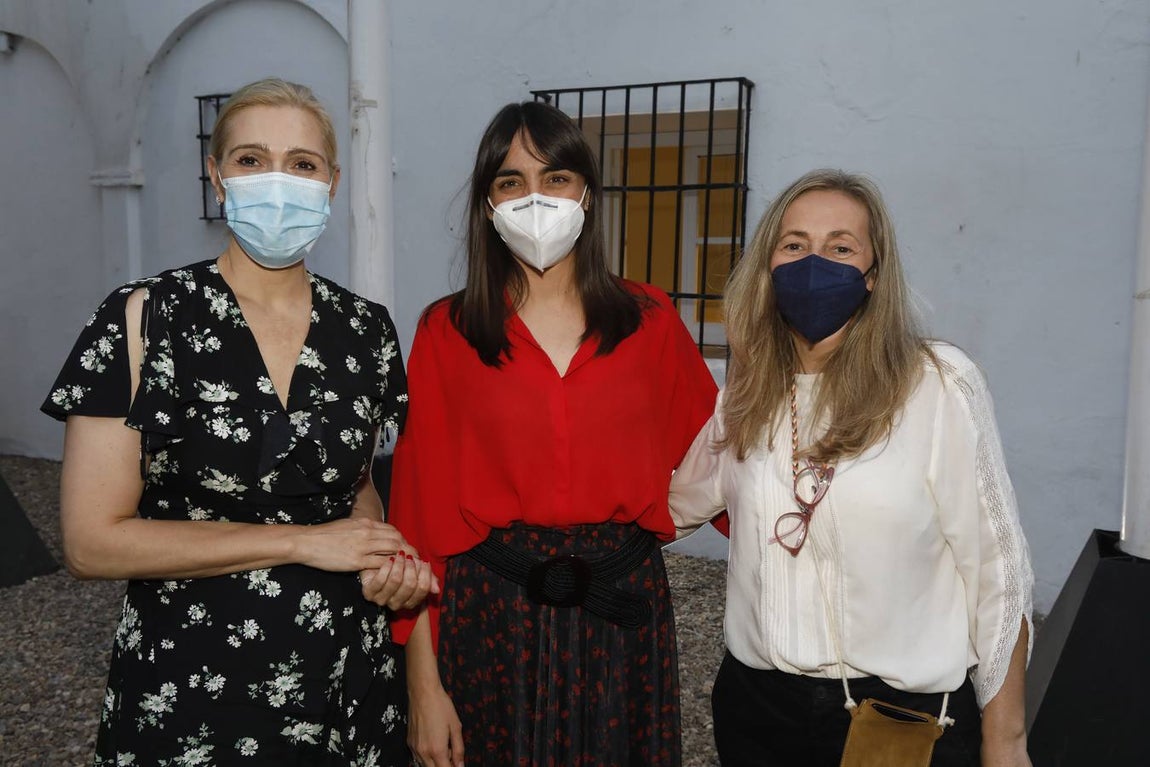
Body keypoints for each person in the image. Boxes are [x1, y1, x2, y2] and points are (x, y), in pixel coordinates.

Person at [42, 78, 435, 766]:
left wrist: (381, 561)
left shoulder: (368, 330)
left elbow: (357, 493)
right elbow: (91, 542)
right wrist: (302, 544)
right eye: (252, 159)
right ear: (216, 176)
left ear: (333, 183)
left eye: (303, 164)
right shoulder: (145, 319)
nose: (278, 181)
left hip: (347, 681)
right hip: (192, 688)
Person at [387, 101, 718, 767]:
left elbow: (730, 458)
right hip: (491, 620)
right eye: (511, 181)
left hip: (622, 614)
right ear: (487, 204)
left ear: (587, 193)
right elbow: (417, 520)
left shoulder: (651, 321)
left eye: (556, 177)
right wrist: (424, 686)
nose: (535, 198)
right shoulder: (446, 332)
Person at [669, 169, 1034, 767]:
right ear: (767, 268)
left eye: (841, 247)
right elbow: (676, 506)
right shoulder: (748, 392)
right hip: (759, 709)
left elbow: (999, 576)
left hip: (900, 717)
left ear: (873, 276)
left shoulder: (936, 385)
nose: (815, 263)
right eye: (794, 245)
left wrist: (1007, 743)